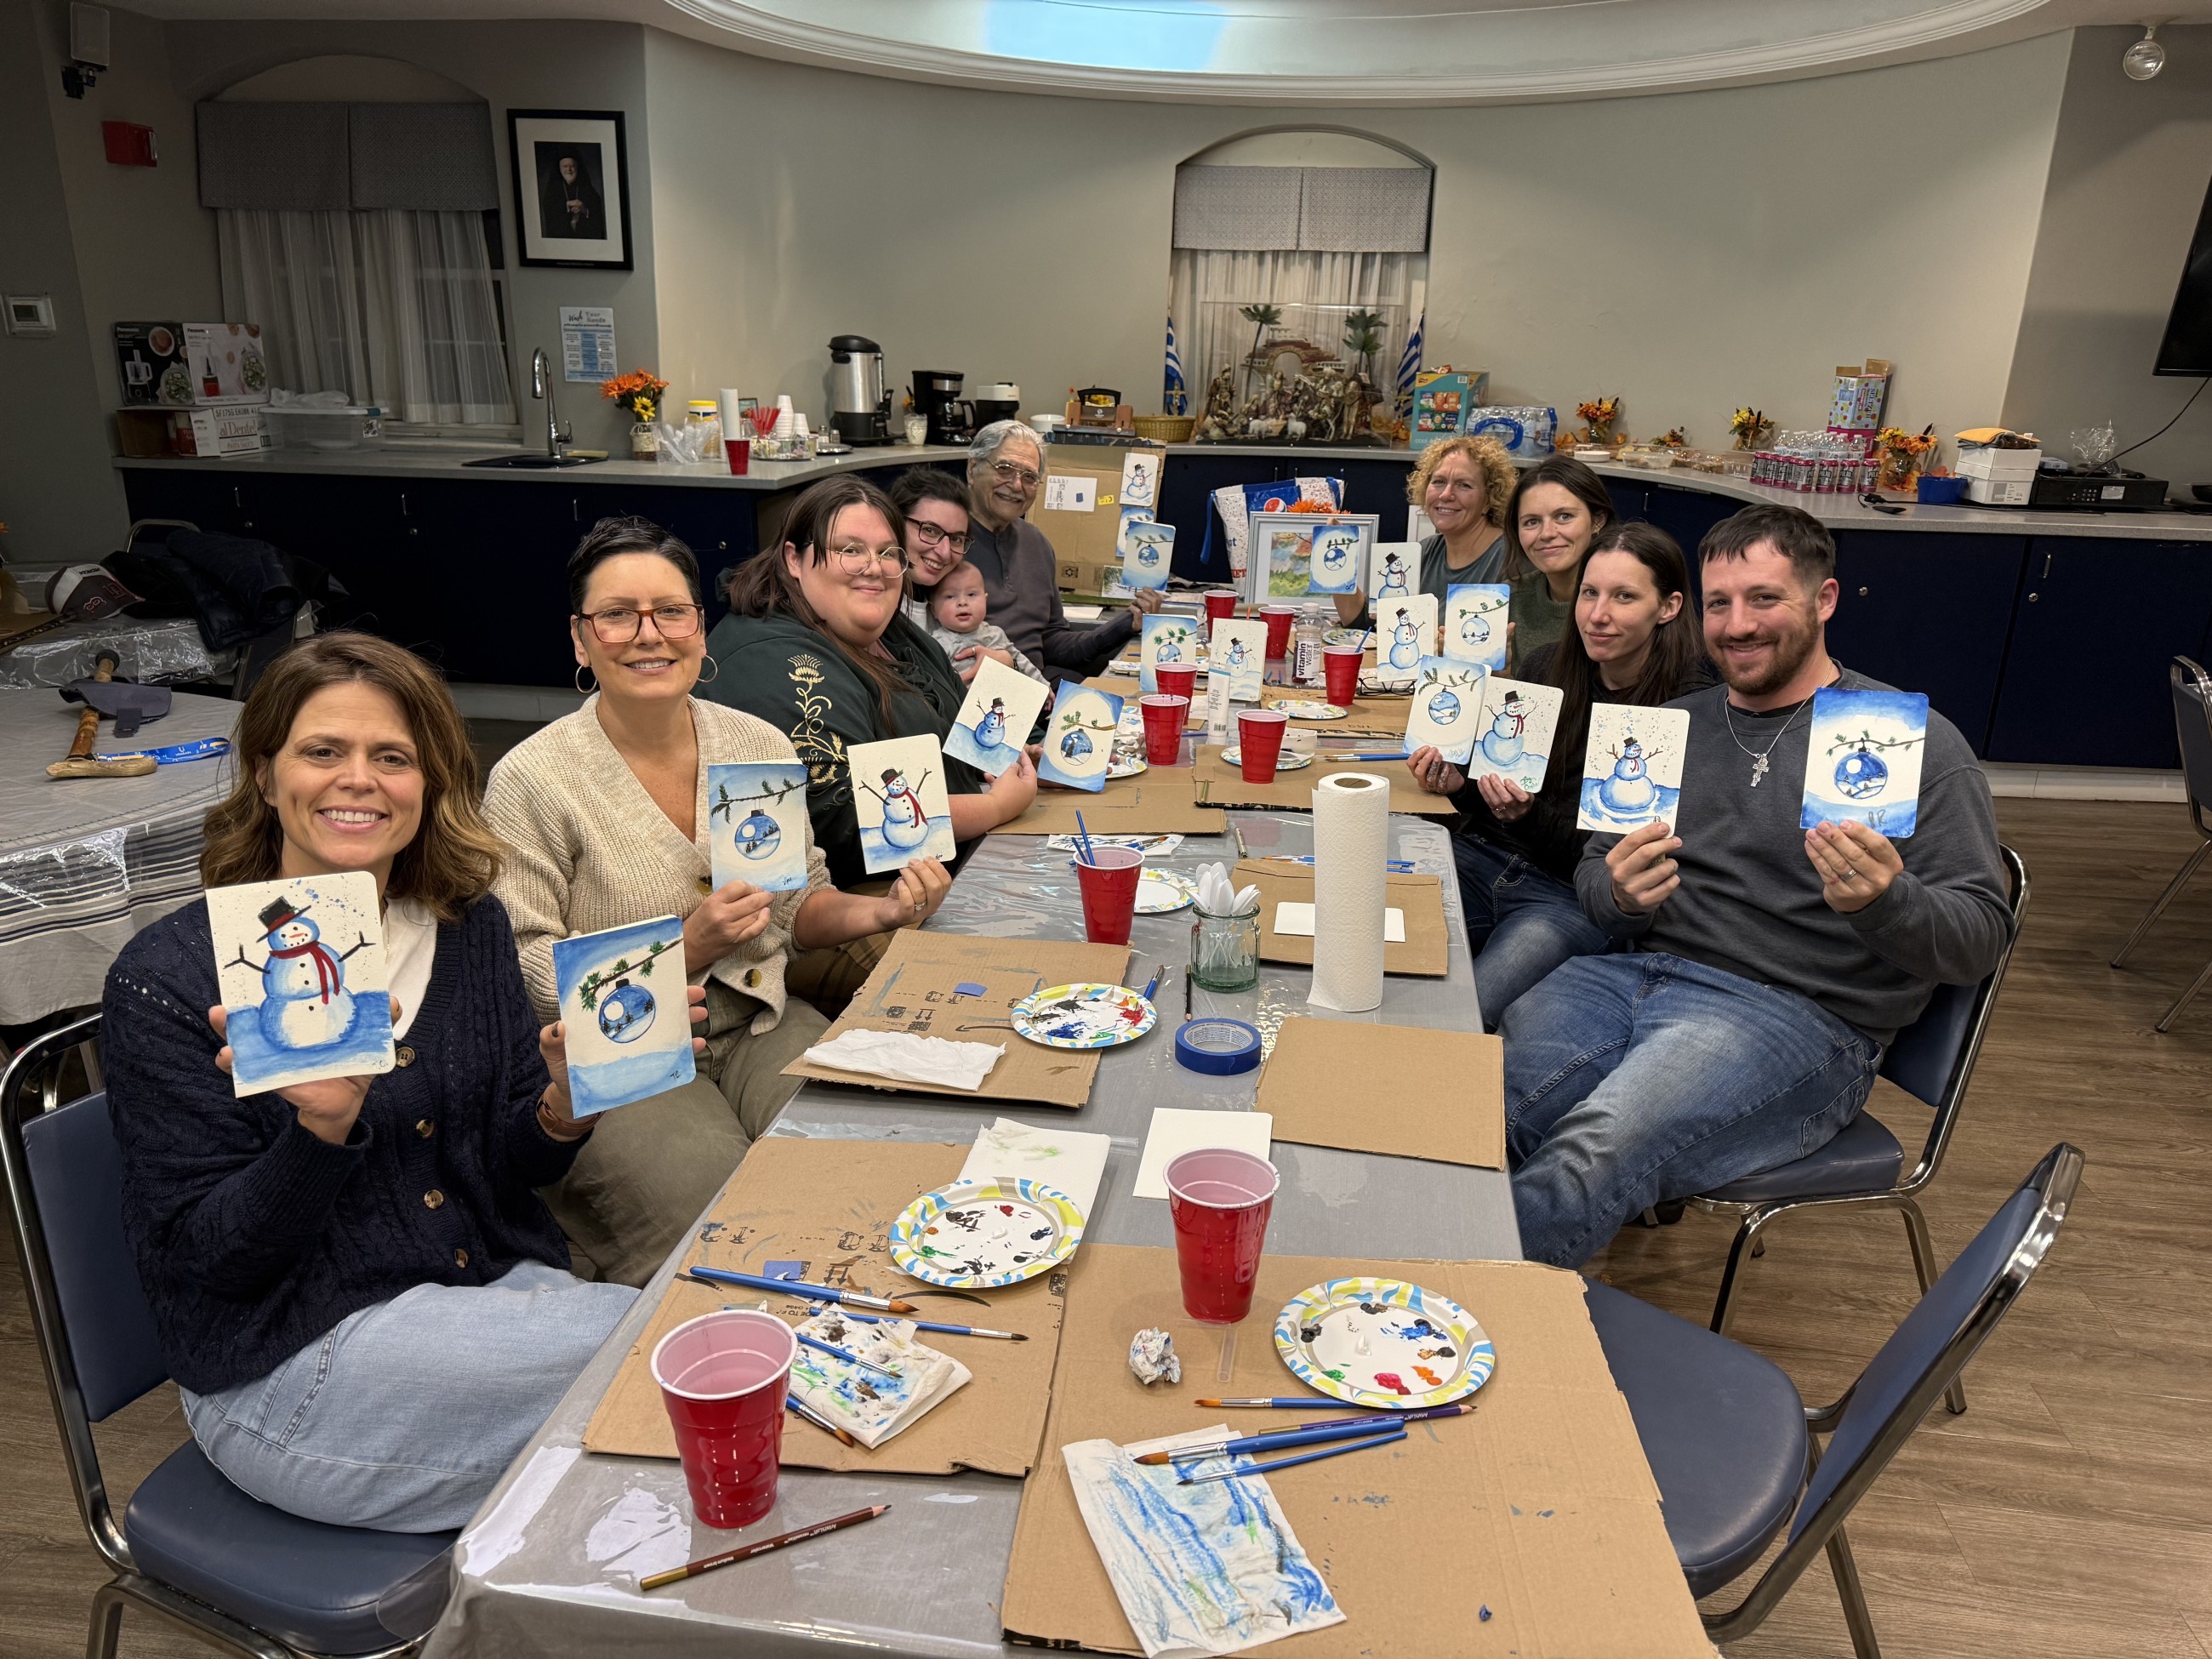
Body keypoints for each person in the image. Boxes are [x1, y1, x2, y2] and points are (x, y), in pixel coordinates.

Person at [102, 632, 647, 1532]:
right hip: (290, 1364)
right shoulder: (170, 980)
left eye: (392, 757)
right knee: (666, 1351)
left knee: (667, 1417)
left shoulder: (468, 926)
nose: (358, 779)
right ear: (265, 774)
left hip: (486, 1308)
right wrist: (318, 1135)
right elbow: (206, 1264)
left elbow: (509, 1170)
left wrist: (562, 1104)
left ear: (428, 783)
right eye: (322, 751)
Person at [1499, 503, 2011, 1268]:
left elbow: (1979, 940)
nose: (1737, 625)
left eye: (1764, 598)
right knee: (1477, 1119)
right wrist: (1621, 895)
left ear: (1824, 600)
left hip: (1796, 1016)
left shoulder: (1914, 744)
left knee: (1588, 1157)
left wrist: (1885, 901)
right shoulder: (1670, 724)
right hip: (1626, 976)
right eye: (1719, 604)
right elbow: (1595, 878)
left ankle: (1438, 1322)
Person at [483, 516, 946, 1286]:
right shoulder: (534, 781)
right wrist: (684, 950)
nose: (649, 635)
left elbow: (796, 906)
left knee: (859, 1169)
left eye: (671, 612)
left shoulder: (754, 745)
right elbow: (521, 969)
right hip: (625, 1056)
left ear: (699, 629)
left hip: (761, 1018)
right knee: (728, 1229)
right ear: (580, 639)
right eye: (617, 615)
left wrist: (886, 911)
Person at [1410, 522, 1711, 1026]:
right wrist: (1462, 786)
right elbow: (1504, 791)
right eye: (1590, 593)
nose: (1598, 615)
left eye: (1624, 597)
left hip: (1570, 897)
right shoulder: (1548, 666)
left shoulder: (1689, 705)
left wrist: (1525, 816)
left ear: (1668, 606)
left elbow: (1611, 860)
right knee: (1373, 937)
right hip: (1482, 860)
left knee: (1461, 1016)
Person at [705, 474, 1040, 892]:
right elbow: (845, 828)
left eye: (887, 553)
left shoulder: (885, 629)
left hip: (956, 867)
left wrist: (1010, 758)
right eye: (850, 550)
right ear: (794, 558)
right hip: (871, 901)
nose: (875, 567)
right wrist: (995, 807)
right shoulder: (770, 661)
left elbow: (956, 731)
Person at [961, 419, 1162, 679]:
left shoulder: (1036, 543)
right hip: (974, 688)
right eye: (1005, 469)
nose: (1016, 485)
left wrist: (1126, 624)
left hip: (1037, 684)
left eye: (1029, 477)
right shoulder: (945, 544)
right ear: (973, 469)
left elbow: (1053, 644)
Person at [1333, 433, 1519, 626]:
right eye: (1439, 481)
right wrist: (1339, 568)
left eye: (1464, 485)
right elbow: (1366, 622)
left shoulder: (1512, 559)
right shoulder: (1423, 552)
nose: (1446, 494)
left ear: (1490, 499)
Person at [890, 466, 1020, 685]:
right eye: (930, 530)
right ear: (894, 523)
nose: (944, 552)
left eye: (956, 539)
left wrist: (1007, 662)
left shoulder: (949, 592)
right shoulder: (877, 605)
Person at [1502, 455, 1616, 671]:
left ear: (1598, 520)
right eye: (1532, 522)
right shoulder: (1509, 600)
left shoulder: (1627, 602)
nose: (1547, 533)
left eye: (1564, 516)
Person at [929, 561, 1046, 685]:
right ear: (934, 610)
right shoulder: (935, 643)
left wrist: (1043, 686)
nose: (962, 602)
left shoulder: (996, 634)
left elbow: (1020, 662)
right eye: (950, 596)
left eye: (971, 594)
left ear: (985, 600)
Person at [541, 152, 603, 240]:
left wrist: (584, 210)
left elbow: (597, 213)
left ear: (577, 168)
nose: (569, 169)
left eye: (572, 166)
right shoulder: (553, 189)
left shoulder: (587, 188)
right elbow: (549, 209)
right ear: (560, 169)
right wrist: (566, 205)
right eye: (565, 166)